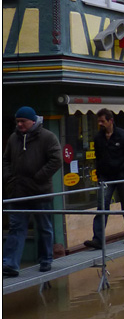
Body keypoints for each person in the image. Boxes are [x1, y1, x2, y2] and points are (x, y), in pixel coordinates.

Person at [3, 107, 61, 276]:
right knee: (16, 227)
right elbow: (5, 159)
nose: (19, 124)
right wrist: (8, 178)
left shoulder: (47, 137)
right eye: (17, 121)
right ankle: (11, 264)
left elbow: (56, 160)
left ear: (33, 121)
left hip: (40, 190)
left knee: (44, 226)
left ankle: (46, 259)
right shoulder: (14, 138)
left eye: (23, 121)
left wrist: (39, 177)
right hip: (18, 191)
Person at [84, 108, 124, 250]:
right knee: (102, 206)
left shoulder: (123, 136)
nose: (100, 123)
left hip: (121, 176)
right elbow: (98, 157)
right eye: (98, 121)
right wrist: (99, 173)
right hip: (106, 177)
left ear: (110, 121)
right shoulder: (98, 138)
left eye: (102, 121)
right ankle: (98, 239)